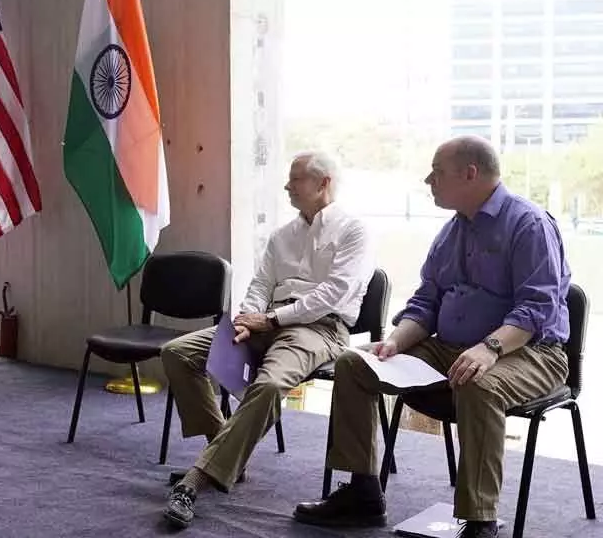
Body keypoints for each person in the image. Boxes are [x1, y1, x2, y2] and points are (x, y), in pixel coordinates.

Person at [293, 136, 571, 538]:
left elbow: (535, 310)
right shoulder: (452, 231)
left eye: (437, 172)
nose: (428, 180)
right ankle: (364, 493)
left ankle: (479, 520)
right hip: (453, 347)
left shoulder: (528, 225)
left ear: (469, 174)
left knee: (480, 384)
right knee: (355, 363)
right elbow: (425, 302)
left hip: (530, 351)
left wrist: (489, 348)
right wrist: (394, 342)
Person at [161, 151, 374, 529]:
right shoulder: (282, 235)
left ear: (323, 183)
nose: (287, 186)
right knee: (178, 352)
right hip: (266, 323)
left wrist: (271, 318)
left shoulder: (353, 231)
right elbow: (261, 285)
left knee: (271, 383)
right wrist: (246, 320)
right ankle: (224, 453)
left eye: (296, 179)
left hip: (320, 329)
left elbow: (334, 294)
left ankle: (197, 479)